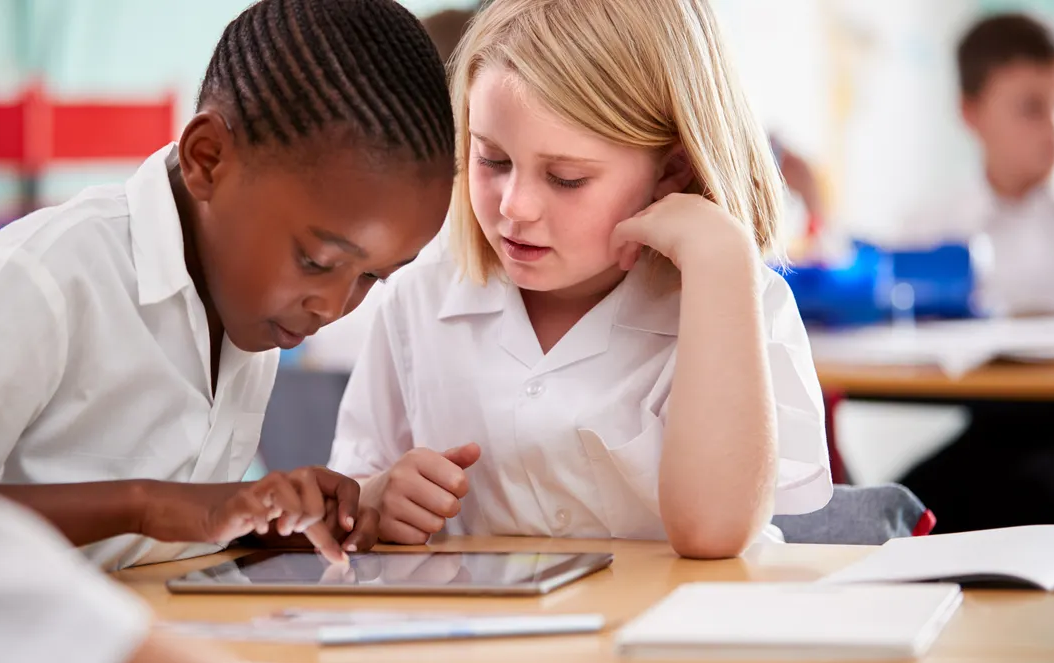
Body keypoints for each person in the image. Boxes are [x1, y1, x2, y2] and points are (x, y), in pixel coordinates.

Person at [0, 0, 456, 569]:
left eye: (370, 278)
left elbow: (172, 536)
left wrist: (264, 526)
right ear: (208, 159)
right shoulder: (52, 276)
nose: (332, 306)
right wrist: (148, 505)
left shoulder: (248, 310)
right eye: (315, 259)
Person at [328, 0, 832, 560]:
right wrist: (378, 499)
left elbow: (713, 534)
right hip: (485, 645)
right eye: (491, 160)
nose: (515, 207)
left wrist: (721, 258)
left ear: (671, 170)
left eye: (566, 179)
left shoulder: (734, 295)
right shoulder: (419, 293)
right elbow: (349, 496)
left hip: (681, 638)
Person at [0, 359, 246, 663]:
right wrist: (142, 504)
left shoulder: (255, 347)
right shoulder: (41, 277)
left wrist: (258, 525)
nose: (310, 315)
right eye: (305, 263)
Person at [898, 13, 1054, 532]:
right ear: (971, 114)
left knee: (1030, 496)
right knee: (902, 511)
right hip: (989, 428)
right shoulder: (929, 228)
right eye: (1031, 108)